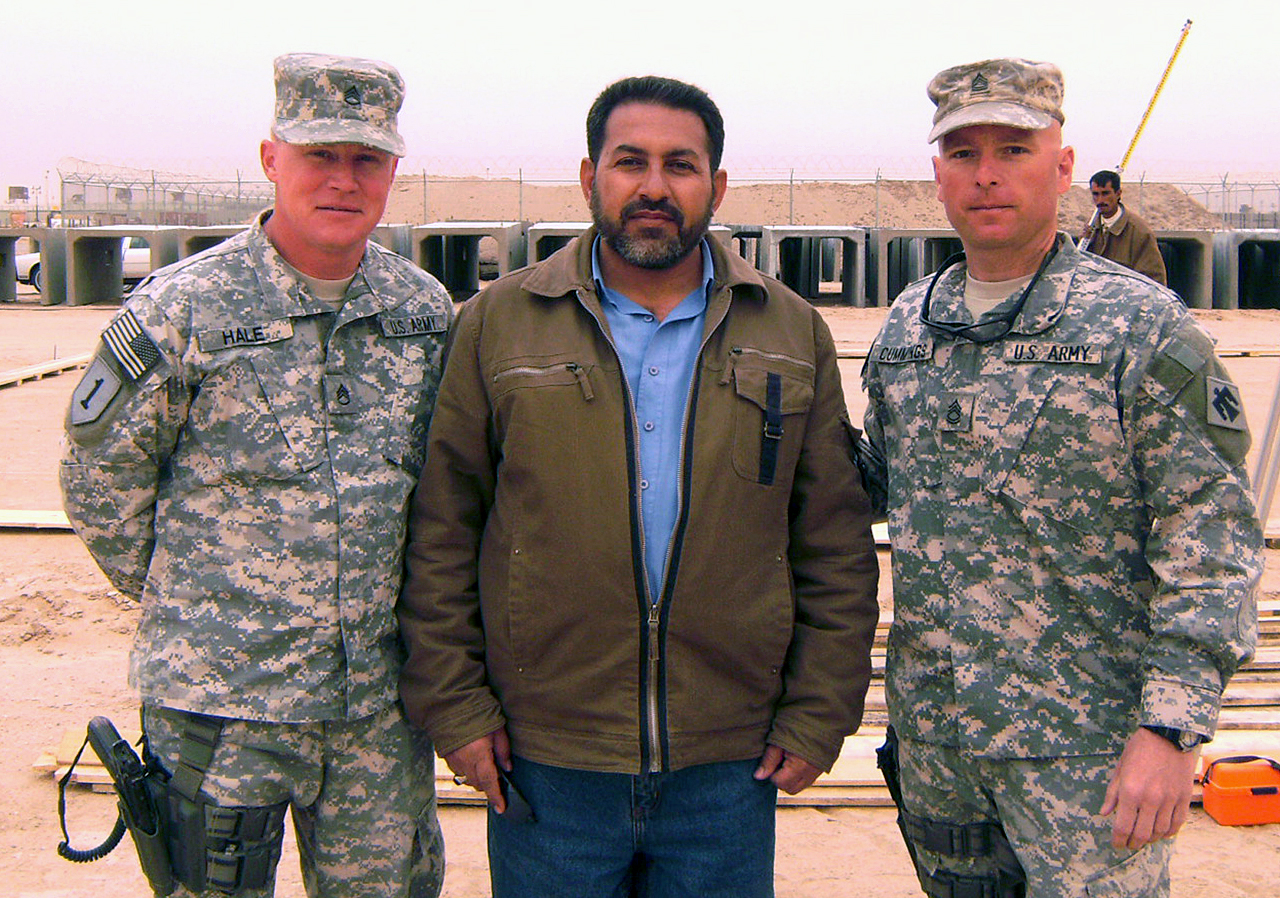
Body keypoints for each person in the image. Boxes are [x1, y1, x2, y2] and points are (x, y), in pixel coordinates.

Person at [397, 74, 880, 898]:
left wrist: (820, 711)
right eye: (630, 162)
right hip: (546, 763)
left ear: (716, 187)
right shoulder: (499, 324)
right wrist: (457, 708)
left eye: (680, 165)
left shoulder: (790, 329)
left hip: (728, 767)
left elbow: (833, 544)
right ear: (590, 178)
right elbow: (443, 529)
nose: (654, 187)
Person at [859, 58, 1262, 898]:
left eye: (1014, 147)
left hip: (1090, 751)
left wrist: (1171, 727)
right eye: (963, 152)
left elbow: (1212, 533)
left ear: (1064, 166)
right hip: (939, 743)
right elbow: (869, 485)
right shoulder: (908, 324)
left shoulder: (1137, 323)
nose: (988, 173)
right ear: (938, 174)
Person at [60, 53, 451, 898]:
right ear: (273, 159)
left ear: (393, 172)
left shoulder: (423, 313)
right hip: (220, 708)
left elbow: (446, 493)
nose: (343, 181)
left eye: (367, 159)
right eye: (320, 156)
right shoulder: (182, 309)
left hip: (376, 711)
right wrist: (204, 605)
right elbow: (100, 485)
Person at [1081, 169, 1168, 285]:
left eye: (1106, 193)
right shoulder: (1091, 229)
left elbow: (1154, 281)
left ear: (1118, 194)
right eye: (1096, 194)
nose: (1100, 200)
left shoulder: (1139, 232)